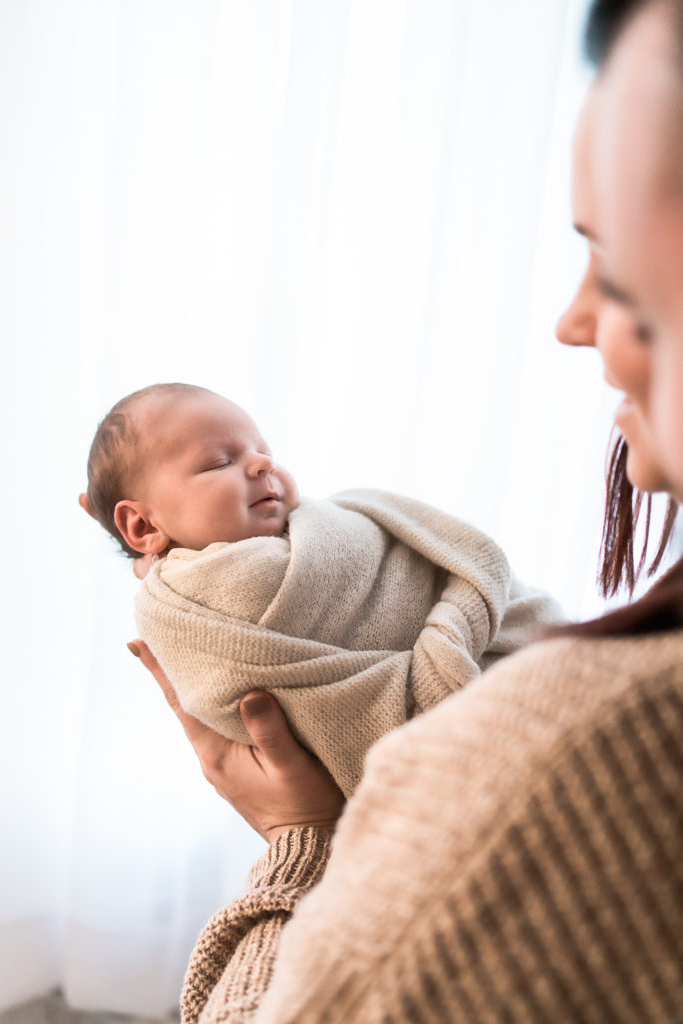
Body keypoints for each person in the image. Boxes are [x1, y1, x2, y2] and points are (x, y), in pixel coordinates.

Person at [129, 1, 683, 1018]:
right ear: (140, 527)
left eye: (606, 260)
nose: (570, 320)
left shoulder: (577, 754)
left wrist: (300, 840)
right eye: (219, 462)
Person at [80, 383, 561, 795]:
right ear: (141, 525)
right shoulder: (202, 598)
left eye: (262, 450)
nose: (261, 464)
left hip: (508, 645)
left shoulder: (318, 526)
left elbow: (394, 563)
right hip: (480, 695)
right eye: (218, 462)